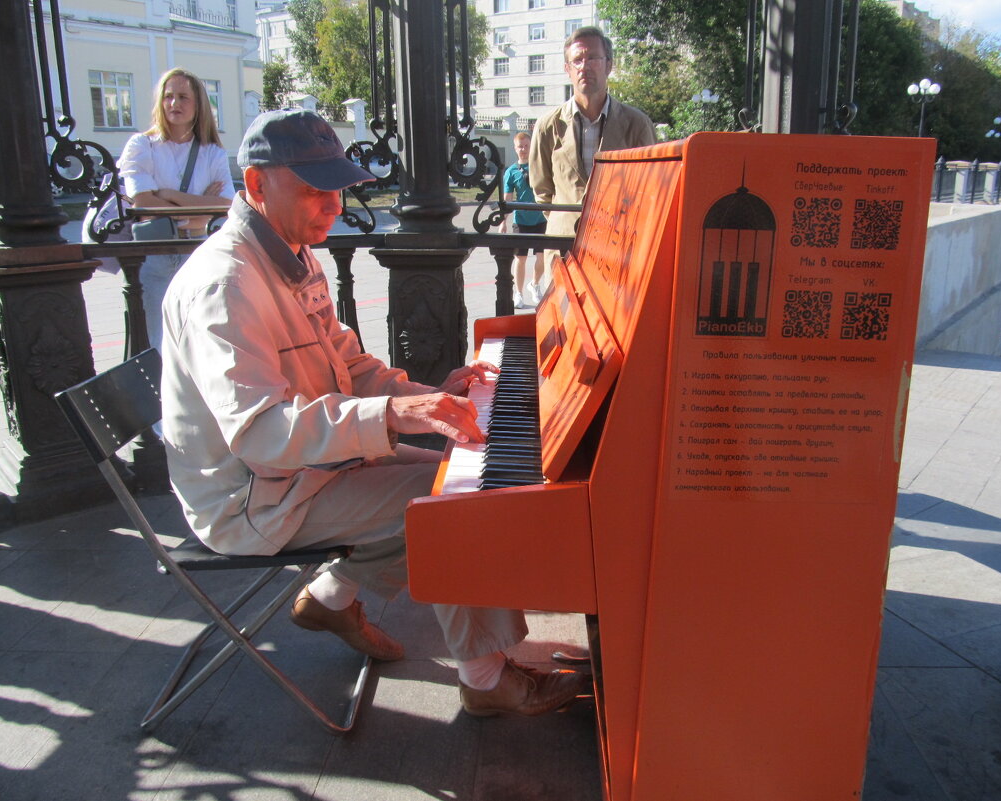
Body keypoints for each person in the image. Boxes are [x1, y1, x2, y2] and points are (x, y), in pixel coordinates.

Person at [160, 109, 586, 717]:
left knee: (451, 474)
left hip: (300, 474)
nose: (333, 204)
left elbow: (346, 365)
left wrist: (424, 396)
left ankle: (331, 598)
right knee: (456, 507)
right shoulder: (225, 284)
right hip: (253, 500)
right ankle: (486, 681)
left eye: (337, 186)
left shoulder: (289, 253)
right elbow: (257, 434)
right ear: (256, 186)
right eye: (313, 188)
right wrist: (391, 414)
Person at [118, 67, 235, 351]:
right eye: (168, 96)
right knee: (159, 344)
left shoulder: (212, 153)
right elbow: (143, 204)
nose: (174, 103)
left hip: (198, 252)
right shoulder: (142, 145)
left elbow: (227, 207)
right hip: (155, 256)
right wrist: (198, 210)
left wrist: (169, 195)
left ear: (198, 106)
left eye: (183, 97)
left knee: (203, 341)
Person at [529, 26, 657, 238]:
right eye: (577, 60)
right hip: (564, 247)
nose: (584, 66)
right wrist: (564, 221)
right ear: (567, 69)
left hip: (619, 244)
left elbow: (652, 187)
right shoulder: (547, 126)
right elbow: (542, 191)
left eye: (593, 58)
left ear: (608, 65)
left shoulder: (637, 124)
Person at [500, 131, 546, 308]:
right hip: (521, 220)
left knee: (541, 256)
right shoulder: (511, 172)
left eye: (527, 146)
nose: (524, 150)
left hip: (540, 218)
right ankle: (518, 293)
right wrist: (503, 221)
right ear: (515, 148)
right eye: (521, 147)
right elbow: (508, 198)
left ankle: (534, 284)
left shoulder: (539, 167)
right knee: (520, 258)